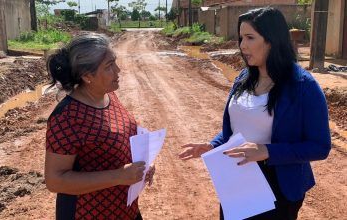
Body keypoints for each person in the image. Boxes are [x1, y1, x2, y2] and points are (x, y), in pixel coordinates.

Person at [179, 7, 331, 220]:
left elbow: (320, 147)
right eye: (241, 38)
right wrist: (213, 144)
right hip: (237, 179)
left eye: (250, 38)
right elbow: (238, 131)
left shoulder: (303, 86)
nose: (242, 45)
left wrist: (268, 152)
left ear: (272, 40)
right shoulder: (243, 78)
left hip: (279, 187)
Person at [44, 33, 155, 220]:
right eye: (109, 66)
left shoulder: (108, 97)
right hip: (88, 213)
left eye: (115, 62)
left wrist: (145, 165)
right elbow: (55, 181)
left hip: (125, 210)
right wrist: (119, 176)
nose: (118, 70)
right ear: (87, 76)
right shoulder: (67, 117)